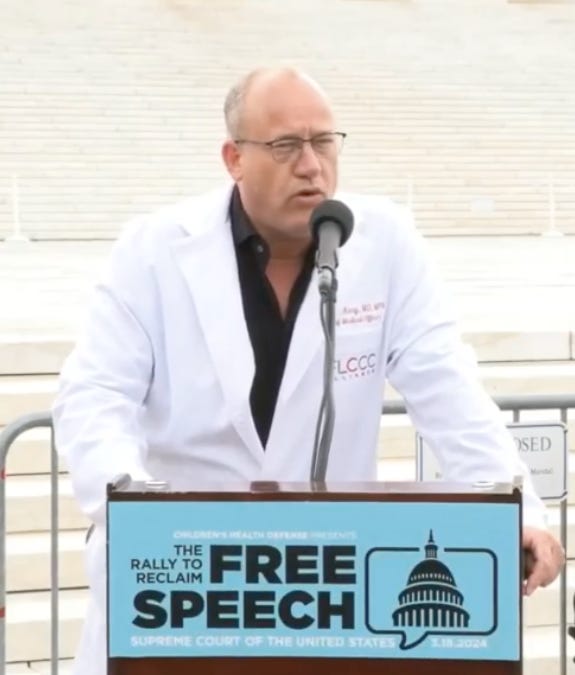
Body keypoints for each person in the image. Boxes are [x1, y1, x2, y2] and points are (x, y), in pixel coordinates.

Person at [53, 67, 564, 675]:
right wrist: (135, 506)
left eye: (324, 142)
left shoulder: (386, 243)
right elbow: (95, 394)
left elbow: (449, 388)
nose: (311, 165)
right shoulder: (151, 250)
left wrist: (518, 508)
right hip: (177, 584)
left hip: (321, 590)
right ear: (234, 158)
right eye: (285, 146)